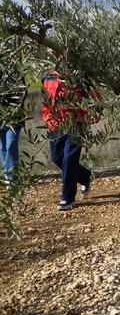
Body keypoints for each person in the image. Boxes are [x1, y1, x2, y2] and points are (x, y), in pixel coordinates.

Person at [42, 64, 100, 211]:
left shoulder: (78, 75)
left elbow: (94, 97)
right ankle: (85, 176)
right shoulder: (48, 76)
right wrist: (48, 118)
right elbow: (46, 101)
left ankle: (67, 198)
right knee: (57, 158)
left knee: (69, 159)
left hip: (76, 123)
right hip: (56, 125)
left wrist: (93, 115)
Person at [0, 66, 28, 188]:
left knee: (11, 144)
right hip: (1, 115)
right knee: (3, 147)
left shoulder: (15, 70)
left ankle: (12, 177)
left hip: (14, 115)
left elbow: (23, 92)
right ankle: (9, 174)